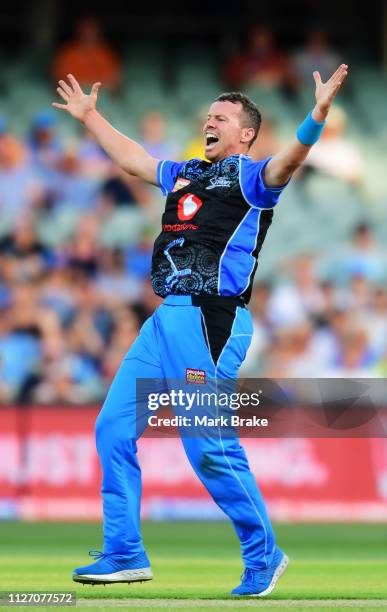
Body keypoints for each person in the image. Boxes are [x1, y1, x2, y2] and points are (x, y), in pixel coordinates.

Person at [53, 63, 348, 597]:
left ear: (246, 133)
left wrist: (317, 115)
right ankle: (124, 552)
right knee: (111, 429)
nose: (208, 121)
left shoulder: (252, 179)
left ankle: (264, 556)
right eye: (207, 114)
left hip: (211, 320)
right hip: (165, 318)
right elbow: (135, 160)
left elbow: (292, 160)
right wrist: (91, 118)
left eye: (221, 116)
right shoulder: (186, 170)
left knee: (207, 446)